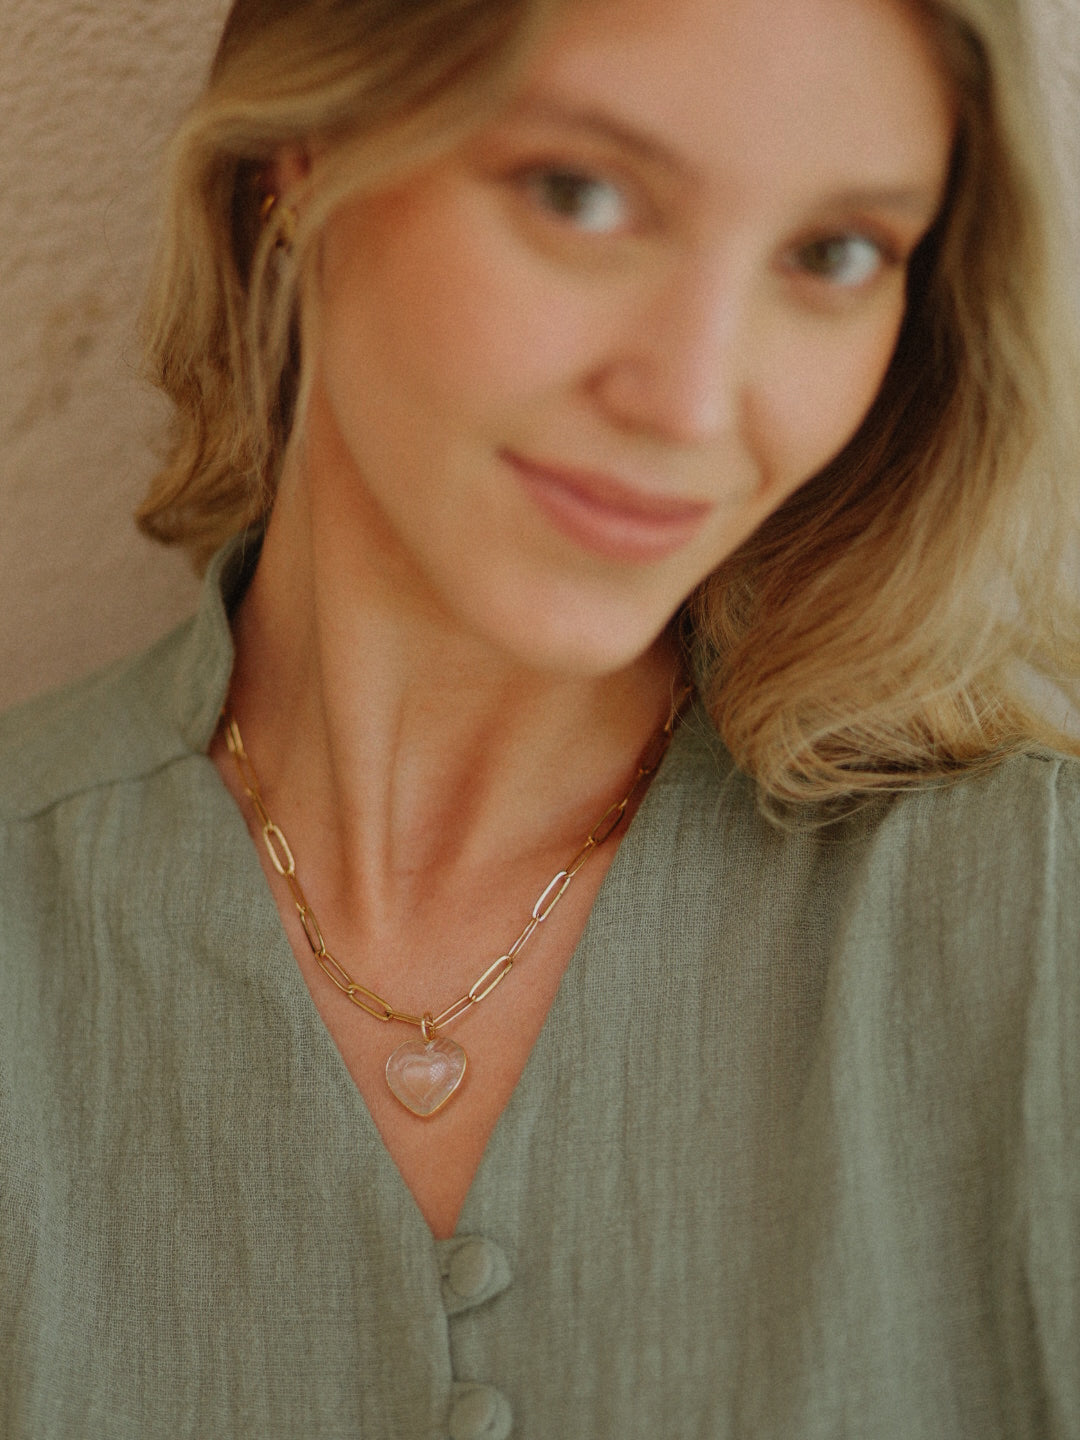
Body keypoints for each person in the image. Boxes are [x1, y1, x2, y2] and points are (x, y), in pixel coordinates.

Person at [2, 0, 1078, 1434]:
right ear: (303, 156)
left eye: (832, 254)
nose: (693, 401)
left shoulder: (1039, 916)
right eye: (581, 193)